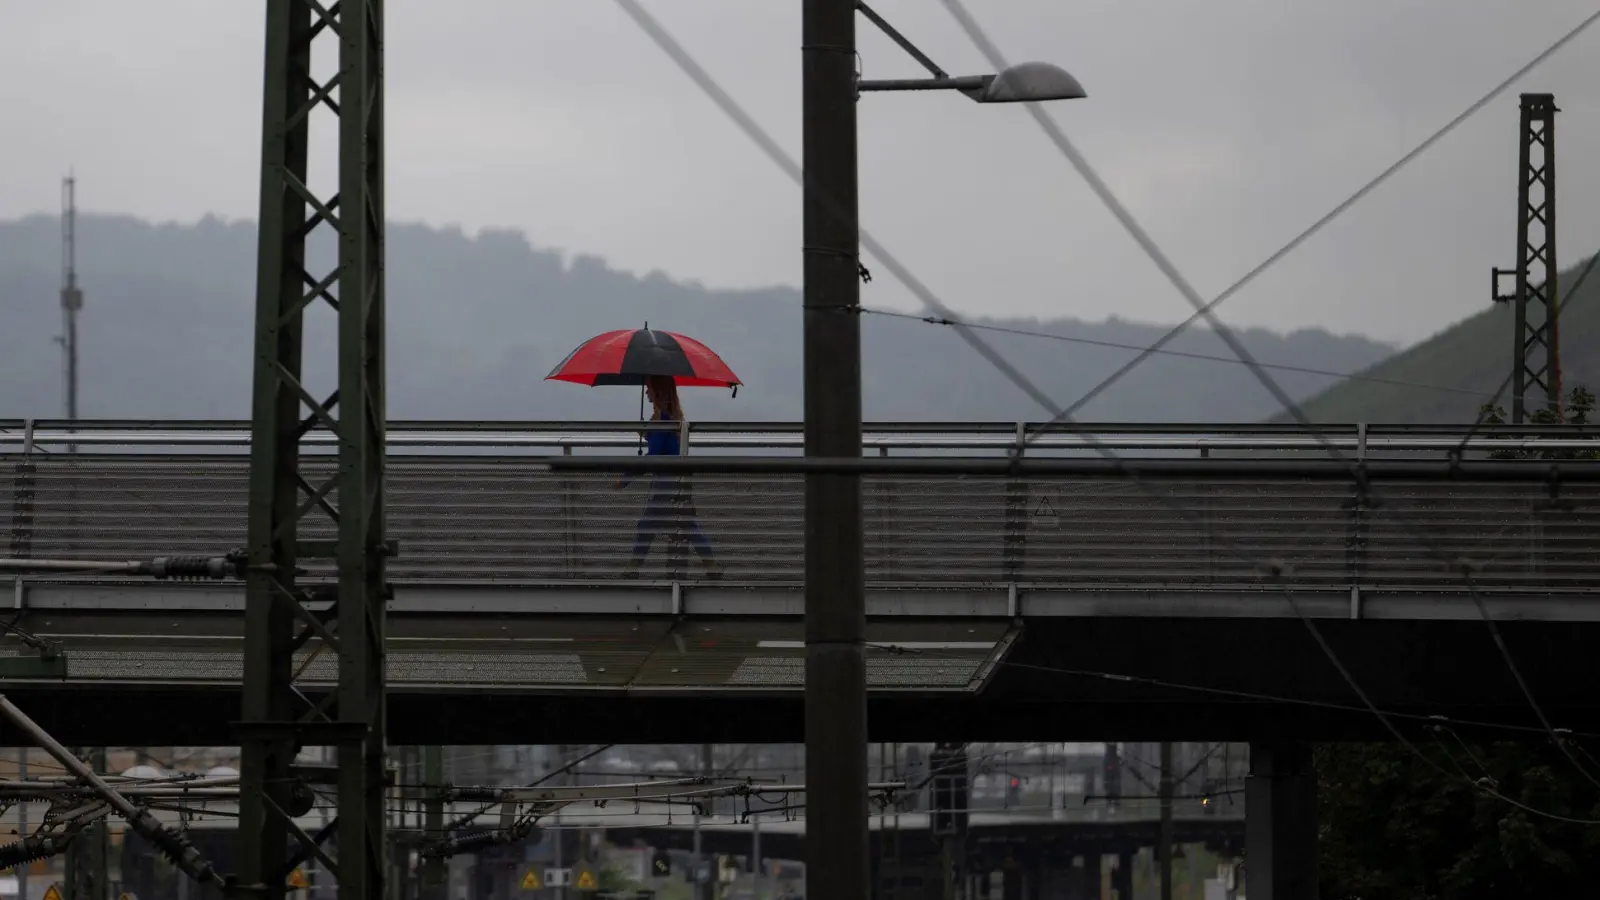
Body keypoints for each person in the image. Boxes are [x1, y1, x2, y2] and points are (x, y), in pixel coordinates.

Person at [617, 375, 720, 578]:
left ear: (658, 391)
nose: (646, 392)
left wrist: (626, 479)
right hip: (677, 479)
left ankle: (632, 569)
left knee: (647, 523)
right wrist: (646, 434)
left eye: (649, 388)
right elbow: (662, 445)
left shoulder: (663, 419)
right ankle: (712, 566)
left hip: (666, 481)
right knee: (687, 524)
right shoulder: (668, 417)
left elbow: (654, 456)